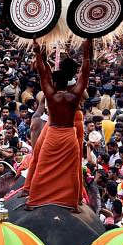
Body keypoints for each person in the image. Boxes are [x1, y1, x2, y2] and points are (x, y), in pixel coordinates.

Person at [25, 40, 92, 210]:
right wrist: (86, 53)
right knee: (72, 171)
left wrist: (38, 52)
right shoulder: (75, 95)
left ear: (54, 82)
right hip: (69, 135)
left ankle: (33, 201)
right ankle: (73, 204)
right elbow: (84, 74)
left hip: (53, 134)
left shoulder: (50, 95)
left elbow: (42, 73)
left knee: (43, 167)